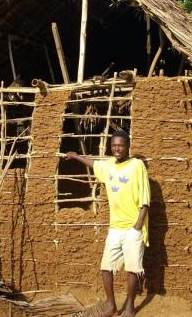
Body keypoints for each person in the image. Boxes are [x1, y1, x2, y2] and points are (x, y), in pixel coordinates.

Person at [66, 131, 150, 317]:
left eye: (120, 145)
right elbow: (94, 164)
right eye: (113, 145)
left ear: (127, 146)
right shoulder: (109, 165)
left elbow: (145, 199)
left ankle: (130, 305)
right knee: (106, 267)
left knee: (132, 268)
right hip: (115, 228)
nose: (117, 149)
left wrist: (137, 226)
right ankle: (111, 306)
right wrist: (76, 156)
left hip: (132, 228)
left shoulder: (137, 166)